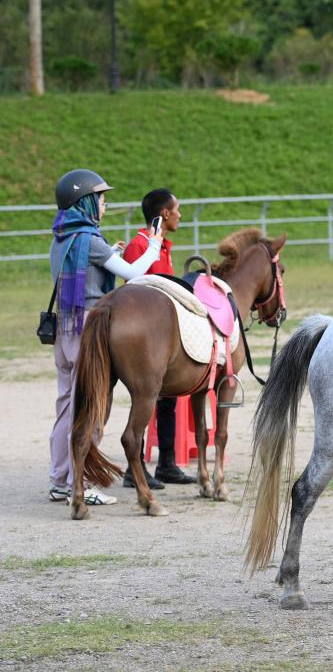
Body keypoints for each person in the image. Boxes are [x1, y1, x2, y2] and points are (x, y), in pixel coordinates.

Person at [48, 169, 164, 505]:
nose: (104, 203)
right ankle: (82, 481)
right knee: (92, 407)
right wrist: (153, 245)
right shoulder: (90, 239)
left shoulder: (62, 235)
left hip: (64, 327)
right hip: (89, 327)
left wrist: (107, 251)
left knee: (66, 405)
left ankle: (60, 480)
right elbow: (133, 272)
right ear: (84, 201)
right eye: (100, 198)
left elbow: (81, 268)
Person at [120, 188, 198, 489]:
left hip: (165, 334)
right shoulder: (140, 246)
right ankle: (133, 467)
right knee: (144, 398)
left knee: (168, 400)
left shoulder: (162, 245)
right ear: (164, 214)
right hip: (146, 338)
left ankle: (166, 464)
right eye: (176, 209)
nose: (180, 214)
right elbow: (133, 294)